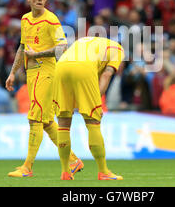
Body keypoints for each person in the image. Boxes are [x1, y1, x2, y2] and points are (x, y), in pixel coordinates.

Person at [5, 0, 83, 178]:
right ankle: (73, 160)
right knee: (47, 122)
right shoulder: (25, 20)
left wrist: (38, 53)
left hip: (46, 72)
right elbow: (23, 47)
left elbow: (62, 47)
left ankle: (27, 167)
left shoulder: (51, 19)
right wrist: (13, 72)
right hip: (32, 74)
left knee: (34, 119)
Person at [52, 36, 125, 180]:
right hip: (83, 67)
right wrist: (96, 102)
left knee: (63, 124)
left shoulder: (87, 41)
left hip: (60, 67)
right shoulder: (119, 50)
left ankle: (65, 172)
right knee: (93, 122)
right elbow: (106, 74)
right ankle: (103, 171)